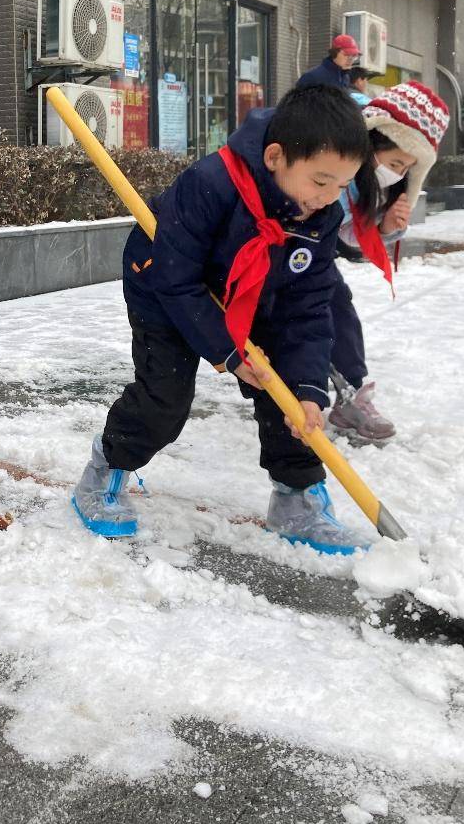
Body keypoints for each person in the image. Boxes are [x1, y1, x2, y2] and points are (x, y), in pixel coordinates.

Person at [72, 85, 374, 556]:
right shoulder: (212, 183)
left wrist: (310, 389)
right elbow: (176, 279)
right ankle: (104, 470)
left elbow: (309, 309)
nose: (329, 197)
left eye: (342, 185)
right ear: (275, 157)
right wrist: (229, 352)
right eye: (320, 181)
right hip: (165, 282)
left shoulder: (320, 217)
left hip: (255, 291)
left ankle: (296, 500)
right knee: (166, 396)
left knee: (290, 394)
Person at [327, 81, 450, 443]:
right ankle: (304, 394)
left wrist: (384, 228)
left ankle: (350, 393)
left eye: (406, 168)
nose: (398, 173)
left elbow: (344, 233)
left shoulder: (367, 180)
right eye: (395, 162)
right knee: (307, 312)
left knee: (335, 306)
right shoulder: (334, 158)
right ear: (373, 141)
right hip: (274, 249)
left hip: (311, 256)